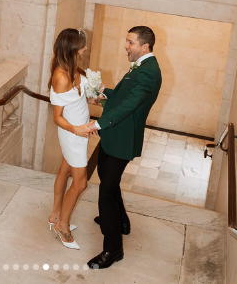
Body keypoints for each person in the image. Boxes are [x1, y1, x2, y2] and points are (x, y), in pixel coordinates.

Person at [78, 26, 162, 269]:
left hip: (122, 137)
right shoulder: (142, 66)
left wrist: (98, 123)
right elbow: (127, 96)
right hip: (115, 135)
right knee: (107, 178)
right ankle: (121, 222)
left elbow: (130, 105)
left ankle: (112, 249)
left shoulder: (148, 72)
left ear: (145, 46)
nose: (126, 46)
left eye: (130, 42)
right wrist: (105, 93)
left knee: (105, 192)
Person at [47, 28, 103, 250]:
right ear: (73, 48)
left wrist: (93, 106)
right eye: (82, 45)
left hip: (80, 130)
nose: (85, 48)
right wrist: (77, 129)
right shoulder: (61, 76)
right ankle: (63, 226)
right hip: (72, 133)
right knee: (80, 183)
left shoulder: (74, 69)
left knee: (65, 169)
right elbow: (57, 117)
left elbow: (79, 101)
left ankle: (55, 214)